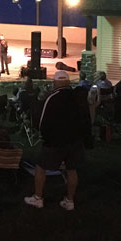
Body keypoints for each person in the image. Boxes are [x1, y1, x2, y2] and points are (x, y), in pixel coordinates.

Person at [24, 70, 90, 211]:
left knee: (41, 167)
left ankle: (38, 198)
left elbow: (43, 121)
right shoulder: (77, 97)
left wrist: (44, 135)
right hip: (75, 140)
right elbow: (85, 118)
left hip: (55, 141)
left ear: (55, 83)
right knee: (72, 170)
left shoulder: (52, 98)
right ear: (67, 83)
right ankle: (69, 200)